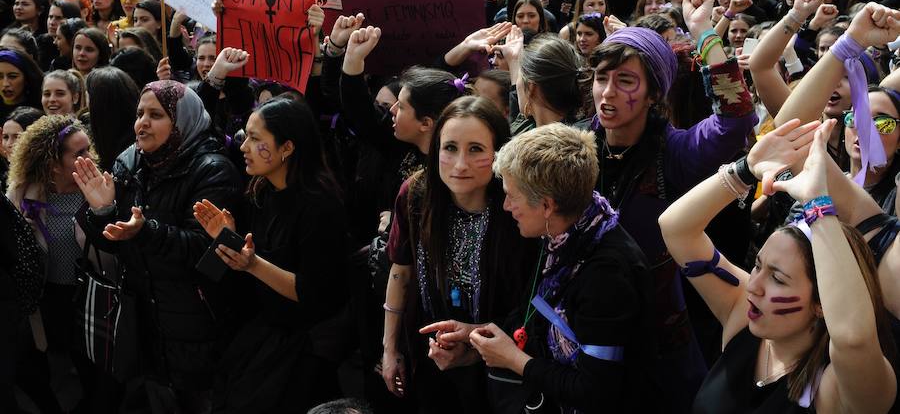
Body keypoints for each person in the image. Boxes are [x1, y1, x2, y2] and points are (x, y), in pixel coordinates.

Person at [587, 0, 758, 412]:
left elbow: (735, 120)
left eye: (625, 80)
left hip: (660, 343)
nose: (608, 93)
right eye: (601, 78)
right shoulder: (575, 147)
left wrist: (704, 34)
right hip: (586, 332)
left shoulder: (676, 152)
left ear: (653, 94)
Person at [660, 118, 897, 413]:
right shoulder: (742, 318)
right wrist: (746, 169)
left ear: (822, 303)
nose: (753, 285)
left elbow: (853, 338)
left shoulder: (835, 386)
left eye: (779, 279)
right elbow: (676, 230)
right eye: (758, 266)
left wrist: (818, 205)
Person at [425, 123, 658, 412]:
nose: (506, 206)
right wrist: (475, 340)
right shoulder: (563, 235)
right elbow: (532, 318)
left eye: (512, 195)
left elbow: (595, 390)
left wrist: (514, 360)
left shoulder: (606, 276)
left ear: (547, 206)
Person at [71, 80, 243, 412]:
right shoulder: (130, 163)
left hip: (199, 322)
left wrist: (146, 232)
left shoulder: (212, 170)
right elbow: (115, 242)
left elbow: (210, 254)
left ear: (182, 121)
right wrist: (102, 211)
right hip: (147, 321)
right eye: (139, 114)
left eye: (156, 114)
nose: (142, 123)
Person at [193, 96, 349, 412]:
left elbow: (312, 292)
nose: (243, 147)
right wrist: (228, 239)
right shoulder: (261, 191)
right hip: (262, 333)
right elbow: (245, 262)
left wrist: (252, 264)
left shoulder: (320, 205)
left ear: (286, 148)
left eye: (255, 138)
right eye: (245, 136)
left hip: (301, 348)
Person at [381, 96, 534, 412]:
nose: (460, 164)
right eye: (449, 148)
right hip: (428, 353)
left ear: (497, 153)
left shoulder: (517, 209)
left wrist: (473, 349)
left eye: (476, 149)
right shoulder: (415, 195)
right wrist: (390, 348)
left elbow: (529, 304)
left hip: (500, 363)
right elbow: (401, 271)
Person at [8, 115, 121, 413]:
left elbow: (115, 251)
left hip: (91, 298)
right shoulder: (23, 193)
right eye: (79, 154)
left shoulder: (104, 187)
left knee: (95, 372)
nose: (89, 159)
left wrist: (103, 209)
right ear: (53, 164)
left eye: (88, 150)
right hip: (47, 299)